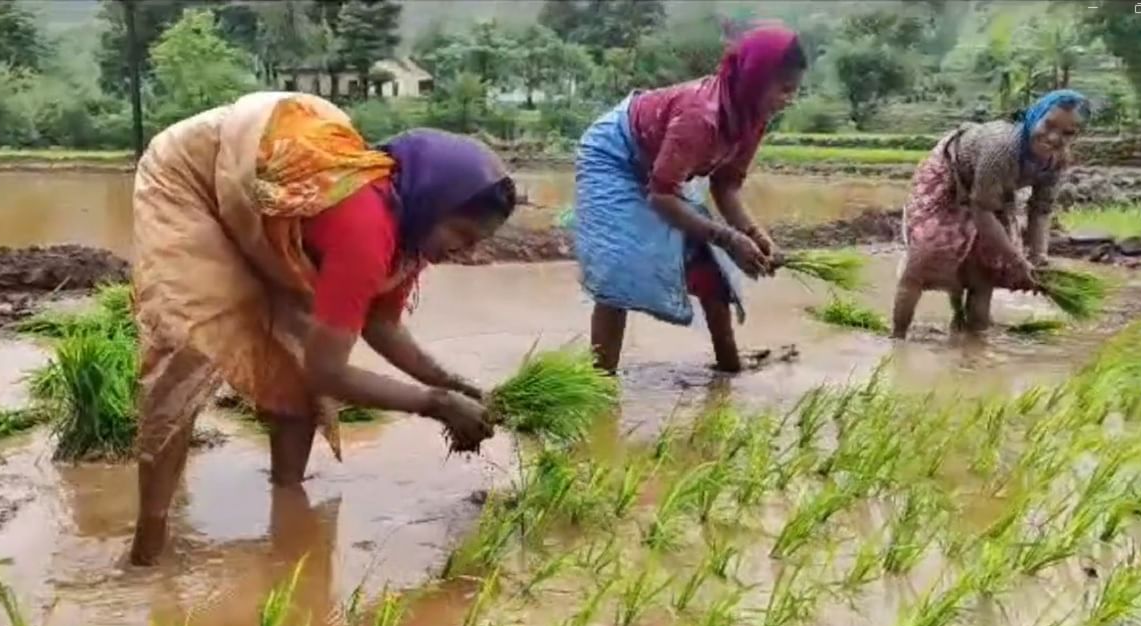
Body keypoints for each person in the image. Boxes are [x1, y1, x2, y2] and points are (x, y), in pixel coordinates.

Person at [127, 92, 517, 565]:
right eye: (462, 235)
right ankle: (148, 549)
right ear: (435, 204)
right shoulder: (367, 226)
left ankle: (287, 510)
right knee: (188, 348)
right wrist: (434, 404)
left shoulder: (408, 235)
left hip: (267, 203)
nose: (464, 251)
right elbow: (329, 372)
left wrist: (449, 382)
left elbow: (381, 324)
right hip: (193, 178)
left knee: (294, 356)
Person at [572, 24, 806, 375]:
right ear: (756, 79)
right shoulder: (702, 117)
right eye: (784, 89)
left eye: (795, 91)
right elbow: (662, 197)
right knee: (618, 270)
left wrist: (756, 236)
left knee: (707, 259)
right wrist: (728, 237)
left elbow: (725, 185)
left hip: (663, 164)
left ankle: (729, 365)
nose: (788, 100)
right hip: (615, 156)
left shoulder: (752, 119)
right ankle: (598, 382)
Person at [892, 90, 1090, 339]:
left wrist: (1039, 259)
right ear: (1035, 115)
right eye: (1048, 125)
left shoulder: (1056, 161)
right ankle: (897, 339)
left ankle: (973, 345)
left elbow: (1040, 210)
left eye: (1067, 133)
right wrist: (1018, 262)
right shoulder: (1003, 147)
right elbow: (982, 209)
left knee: (986, 268)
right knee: (925, 257)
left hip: (994, 187)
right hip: (951, 173)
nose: (1053, 137)